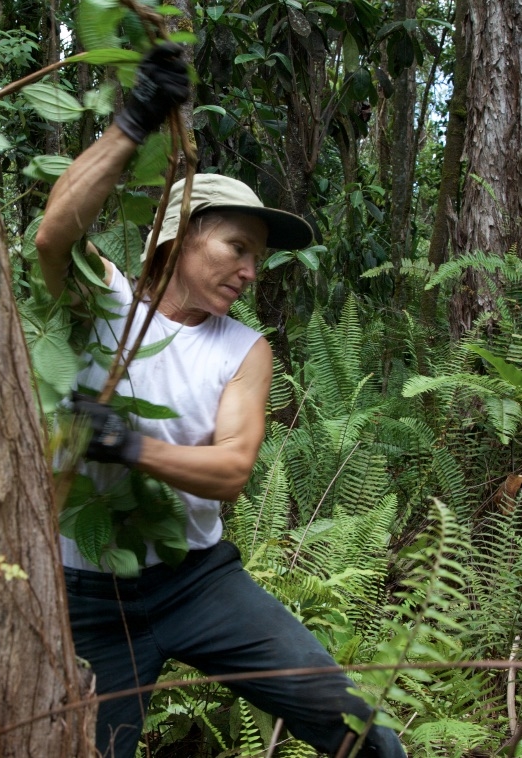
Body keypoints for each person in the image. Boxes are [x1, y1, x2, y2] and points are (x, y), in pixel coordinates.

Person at [34, 42, 407, 758]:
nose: (249, 270)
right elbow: (55, 232)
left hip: (198, 583)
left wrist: (129, 446)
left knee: (359, 730)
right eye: (237, 246)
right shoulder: (99, 299)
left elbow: (234, 468)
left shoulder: (244, 350)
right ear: (179, 234)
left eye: (257, 259)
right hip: (86, 597)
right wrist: (135, 120)